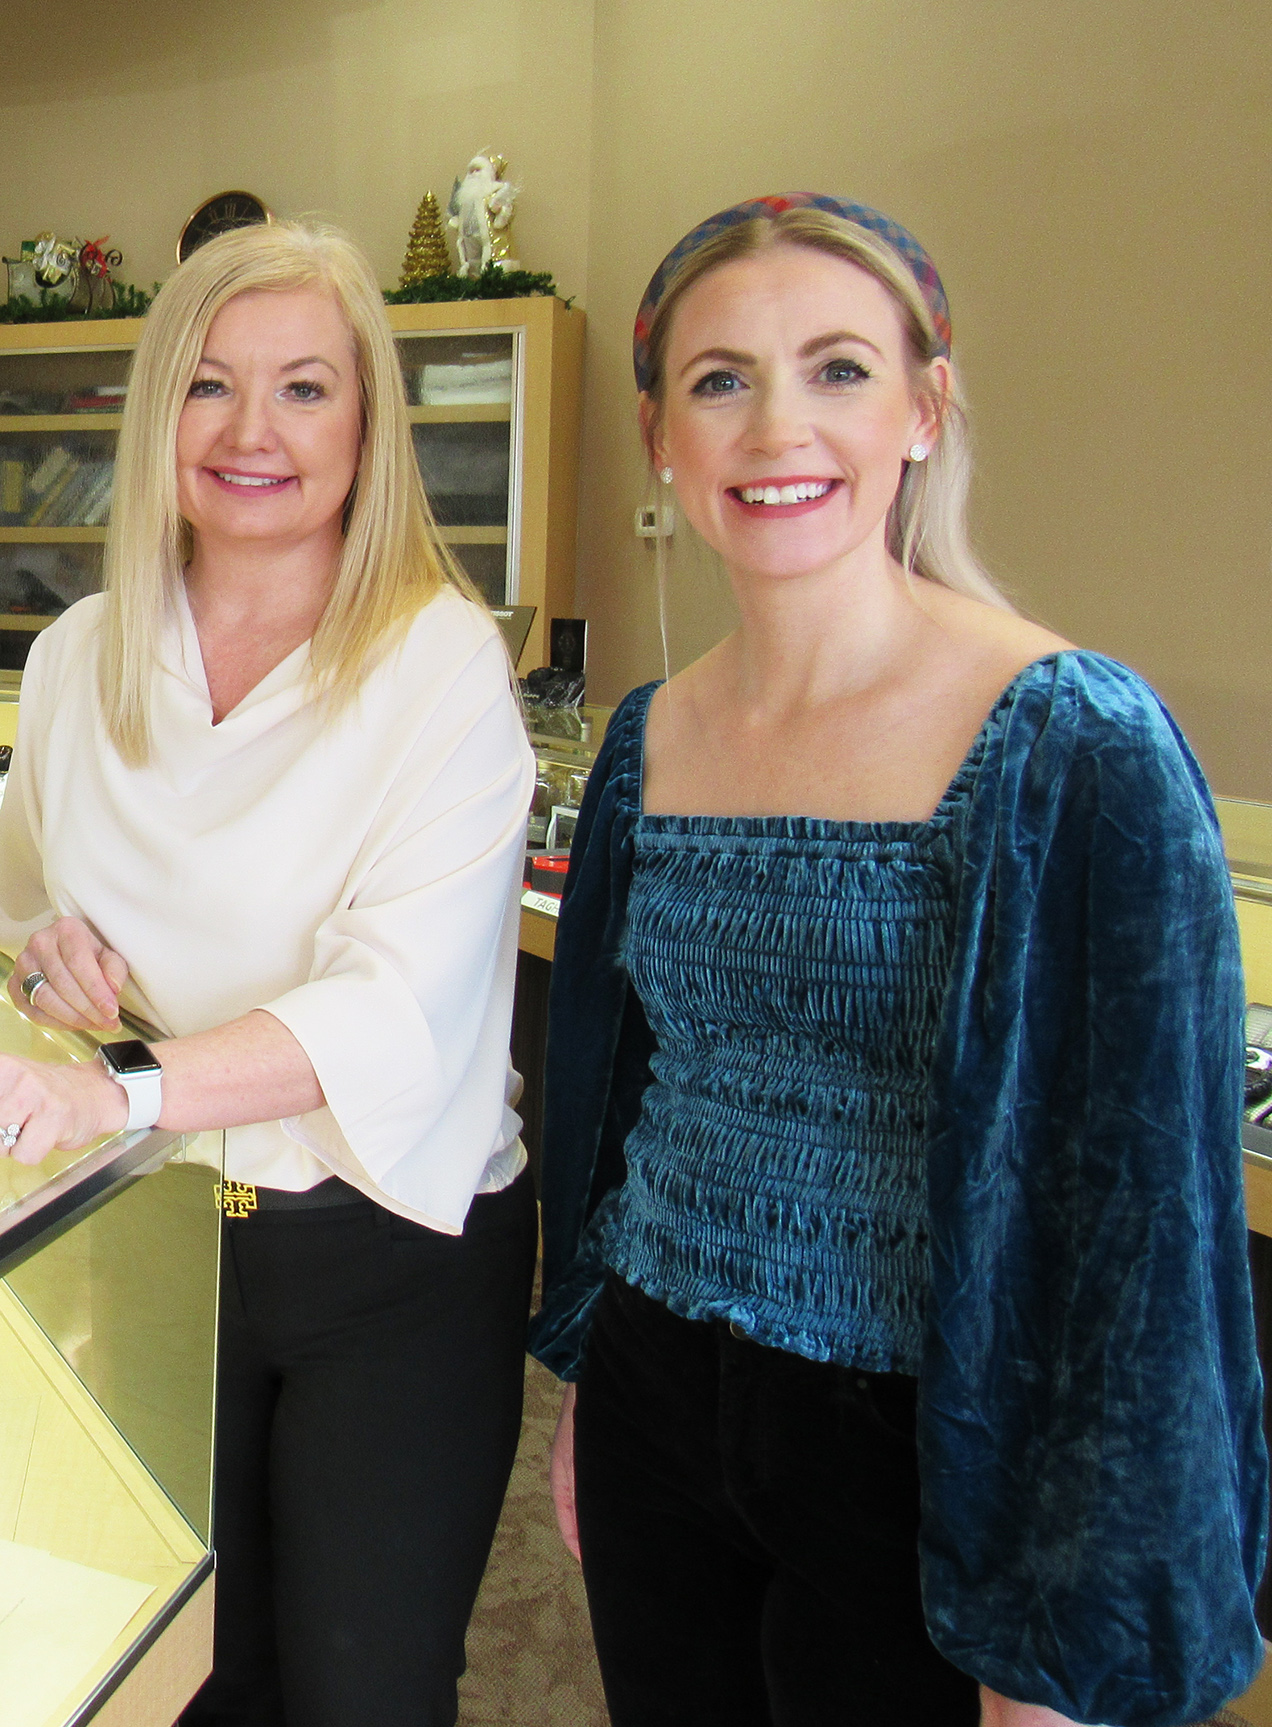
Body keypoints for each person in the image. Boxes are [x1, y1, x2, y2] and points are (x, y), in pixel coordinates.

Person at [529, 192, 1265, 1727]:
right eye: (722, 379)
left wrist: (1057, 1645)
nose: (775, 423)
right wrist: (596, 1371)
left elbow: (1142, 1232)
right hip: (665, 1396)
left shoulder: (1075, 744)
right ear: (662, 435)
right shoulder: (646, 743)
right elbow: (633, 1100)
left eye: (839, 368)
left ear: (926, 409)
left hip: (935, 1449)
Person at [0, 220, 536, 1727]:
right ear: (156, 418)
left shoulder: (441, 665)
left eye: (305, 389)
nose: (253, 432)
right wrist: (51, 957)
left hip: (387, 1258)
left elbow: (393, 1009)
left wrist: (118, 1084)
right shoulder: (77, 655)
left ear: (368, 423)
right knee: (176, 1667)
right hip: (156, 1239)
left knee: (360, 1686)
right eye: (208, 387)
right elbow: (31, 909)